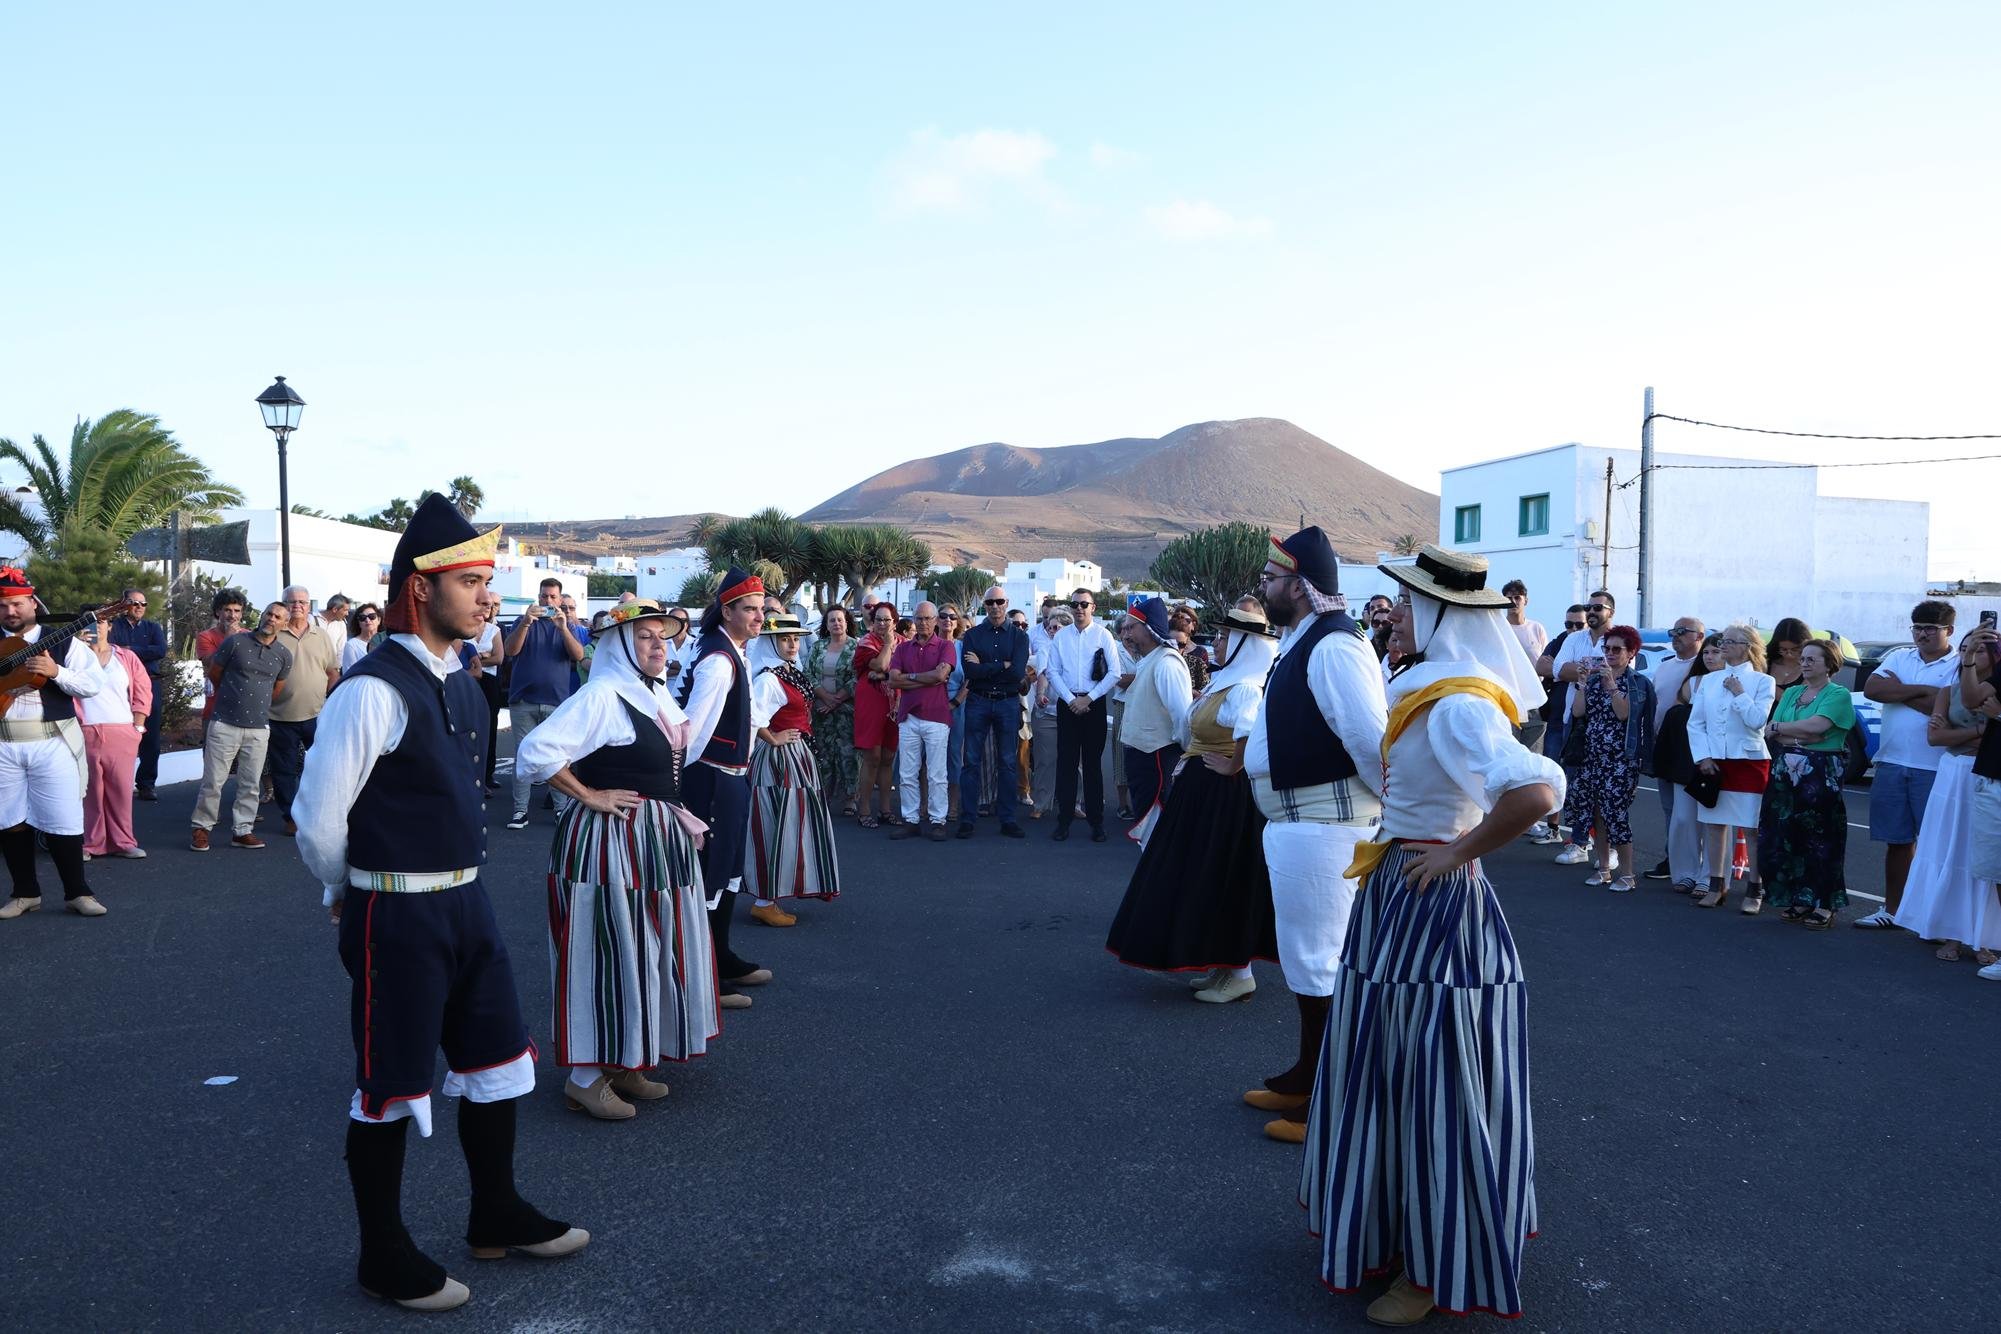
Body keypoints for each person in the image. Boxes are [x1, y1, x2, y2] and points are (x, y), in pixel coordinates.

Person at [294, 494, 587, 1311]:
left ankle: (496, 1211)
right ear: (420, 589)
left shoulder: (462, 681)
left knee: (496, 1062)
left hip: (467, 903)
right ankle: (381, 1254)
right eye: (472, 581)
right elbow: (318, 820)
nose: (489, 596)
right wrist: (345, 890)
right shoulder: (371, 689)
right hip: (399, 913)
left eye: (489, 580)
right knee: (389, 1082)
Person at [1300, 544, 1561, 1327]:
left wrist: (1454, 851)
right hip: (1397, 895)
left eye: (1410, 604)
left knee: (1432, 1080)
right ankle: (1394, 1234)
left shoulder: (1457, 702)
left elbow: (1537, 791)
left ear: (1443, 614)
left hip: (1432, 906)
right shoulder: (1427, 686)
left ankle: (1432, 1263)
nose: (1396, 613)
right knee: (1389, 1070)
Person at [514, 598, 719, 1120]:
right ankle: (585, 1077)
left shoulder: (652, 697)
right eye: (646, 637)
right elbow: (535, 751)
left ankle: (627, 1059)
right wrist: (588, 794)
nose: (658, 645)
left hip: (654, 841)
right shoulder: (603, 695)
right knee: (604, 949)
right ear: (622, 645)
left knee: (647, 948)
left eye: (663, 636)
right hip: (611, 843)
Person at [1239, 527, 1386, 1145]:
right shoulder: (1306, 638)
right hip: (1300, 823)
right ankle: (1308, 1074)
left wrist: (1389, 813)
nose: (1265, 589)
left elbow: (1368, 739)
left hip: (1326, 824)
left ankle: (1332, 1099)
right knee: (1305, 959)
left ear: (1300, 587)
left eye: (1272, 581)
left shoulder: (1333, 647)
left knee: (1323, 962)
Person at [1106, 604, 1280, 1001]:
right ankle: (1223, 966)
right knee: (1206, 876)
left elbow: (1249, 731)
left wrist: (1232, 764)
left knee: (1225, 876)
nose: (1216, 643)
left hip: (1223, 797)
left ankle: (1239, 972)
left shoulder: (1245, 687)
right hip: (1204, 791)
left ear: (1242, 646)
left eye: (1224, 638)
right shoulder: (1228, 681)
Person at [678, 567, 772, 1005]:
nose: (759, 617)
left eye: (761, 609)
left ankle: (722, 956)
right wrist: (676, 786)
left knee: (730, 872)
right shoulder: (718, 661)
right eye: (750, 609)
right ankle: (704, 977)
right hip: (711, 782)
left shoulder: (736, 652)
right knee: (710, 876)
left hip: (733, 779)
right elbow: (693, 733)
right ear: (728, 610)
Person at [0, 567, 108, 920]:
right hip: (3, 744)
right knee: (9, 819)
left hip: (52, 741)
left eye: (16, 604)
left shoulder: (63, 642)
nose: (10, 612)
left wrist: (56, 672)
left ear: (32, 603)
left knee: (64, 818)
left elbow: (93, 685)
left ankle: (78, 892)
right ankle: (25, 892)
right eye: (2, 606)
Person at [1894, 627, 1998, 959]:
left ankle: (1981, 937)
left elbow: (1976, 740)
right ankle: (1950, 933)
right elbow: (1935, 738)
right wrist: (1980, 730)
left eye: (1979, 650)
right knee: (1947, 852)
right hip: (1951, 775)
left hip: (1983, 775)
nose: (1970, 654)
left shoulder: (1994, 692)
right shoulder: (1947, 692)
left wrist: (1962, 734)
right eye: (1966, 648)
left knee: (1978, 856)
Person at [1855, 601, 1960, 929]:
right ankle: (1893, 909)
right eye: (1917, 628)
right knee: (1897, 842)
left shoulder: (1960, 665)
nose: (1922, 634)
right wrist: (1926, 690)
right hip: (1890, 762)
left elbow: (1947, 710)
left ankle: (1934, 917)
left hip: (1935, 767)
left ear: (1949, 631)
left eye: (1931, 628)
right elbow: (1873, 689)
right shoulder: (1900, 656)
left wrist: (1899, 692)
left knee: (1937, 848)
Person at [744, 613, 843, 922]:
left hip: (798, 756)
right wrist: (773, 738)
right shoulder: (769, 678)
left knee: (791, 824)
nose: (791, 644)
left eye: (795, 639)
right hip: (780, 760)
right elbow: (751, 715)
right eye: (784, 639)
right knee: (776, 824)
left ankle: (772, 897)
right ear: (772, 642)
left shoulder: (790, 672)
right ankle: (764, 902)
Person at [1759, 638, 1858, 928]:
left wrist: (1788, 732)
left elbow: (1819, 727)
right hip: (1784, 774)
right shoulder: (1791, 693)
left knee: (1822, 839)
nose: (1804, 663)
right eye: (1803, 658)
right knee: (1788, 836)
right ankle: (1800, 898)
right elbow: (1772, 730)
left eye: (1812, 659)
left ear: (1830, 665)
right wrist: (1800, 735)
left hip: (1819, 775)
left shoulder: (1837, 694)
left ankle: (1824, 903)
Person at [1686, 624, 1775, 911]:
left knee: (1751, 828)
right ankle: (1716, 884)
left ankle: (1754, 889)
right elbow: (1695, 723)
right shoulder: (1709, 681)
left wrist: (1739, 693)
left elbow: (1756, 721)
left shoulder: (1763, 681)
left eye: (1730, 642)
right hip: (1715, 763)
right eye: (1722, 641)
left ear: (1747, 646)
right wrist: (1703, 756)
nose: (1723, 646)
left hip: (1749, 761)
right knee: (1714, 824)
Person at [192, 600, 292, 853]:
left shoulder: (283, 655)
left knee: (250, 783)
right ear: (262, 615)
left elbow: (276, 690)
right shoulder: (235, 642)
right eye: (269, 613)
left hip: (258, 728)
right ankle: (201, 828)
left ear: (284, 624)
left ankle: (243, 831)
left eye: (278, 616)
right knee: (213, 781)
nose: (271, 618)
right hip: (224, 722)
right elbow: (216, 673)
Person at [1563, 624, 1655, 891]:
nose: (1611, 654)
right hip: (1592, 756)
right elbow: (1579, 711)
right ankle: (1603, 868)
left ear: (1631, 653)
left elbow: (1624, 714)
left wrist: (1612, 686)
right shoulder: (1593, 679)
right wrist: (1581, 683)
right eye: (1607, 649)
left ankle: (1627, 874)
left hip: (1620, 759)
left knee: (1616, 814)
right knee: (1596, 814)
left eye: (1617, 649)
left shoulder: (1637, 683)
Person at [504, 578, 588, 829]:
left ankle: (561, 809)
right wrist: (526, 624)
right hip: (523, 700)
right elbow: (510, 651)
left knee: (556, 757)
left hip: (555, 702)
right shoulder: (524, 621)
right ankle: (520, 811)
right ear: (538, 597)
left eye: (553, 597)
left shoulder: (567, 626)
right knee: (522, 756)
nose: (548, 601)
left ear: (560, 599)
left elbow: (578, 656)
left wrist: (562, 628)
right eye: (544, 597)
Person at [1541, 588, 1616, 865]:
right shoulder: (1574, 638)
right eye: (1590, 606)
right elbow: (1558, 669)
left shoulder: (1618, 637)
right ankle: (1579, 843)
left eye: (1599, 607)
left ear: (1611, 612)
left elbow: (1616, 669)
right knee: (1578, 785)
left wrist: (1582, 669)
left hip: (1609, 720)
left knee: (1606, 789)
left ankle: (1610, 851)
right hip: (1577, 717)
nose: (1593, 611)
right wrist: (1594, 669)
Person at [1045, 586, 1121, 843]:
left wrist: (1089, 698)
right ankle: (1063, 821)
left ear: (1093, 608)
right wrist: (1070, 700)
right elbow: (1052, 671)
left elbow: (1114, 673)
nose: (1079, 609)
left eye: (1084, 604)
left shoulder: (1103, 635)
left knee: (1092, 767)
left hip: (1093, 705)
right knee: (1066, 765)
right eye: (1074, 604)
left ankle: (1096, 822)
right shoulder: (1061, 637)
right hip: (1068, 706)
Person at [269, 584, 342, 838]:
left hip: (316, 715)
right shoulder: (274, 634)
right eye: (291, 602)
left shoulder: (321, 636)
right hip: (280, 716)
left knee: (321, 767)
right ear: (283, 605)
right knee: (284, 771)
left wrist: (330, 704)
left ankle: (319, 813)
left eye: (301, 602)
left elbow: (333, 673)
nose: (296, 606)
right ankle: (291, 817)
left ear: (309, 606)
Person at [1116, 598, 1194, 833]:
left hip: (1158, 761)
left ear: (1149, 629)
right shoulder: (1149, 660)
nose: (1126, 634)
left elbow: (1182, 717)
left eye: (1132, 627)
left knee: (1157, 831)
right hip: (1144, 762)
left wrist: (1184, 758)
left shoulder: (1166, 664)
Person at [957, 586, 1028, 839]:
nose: (995, 606)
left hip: (1008, 703)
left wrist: (987, 666)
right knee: (971, 762)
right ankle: (967, 818)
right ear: (984, 605)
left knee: (1008, 762)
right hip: (979, 701)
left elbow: (1018, 673)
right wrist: (1003, 665)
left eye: (999, 601)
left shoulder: (1019, 637)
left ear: (1006, 602)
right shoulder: (973, 635)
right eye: (990, 602)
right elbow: (970, 672)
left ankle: (1008, 819)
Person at [1652, 632, 1720, 893]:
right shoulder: (1692, 682)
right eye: (1707, 652)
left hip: (1720, 761)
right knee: (1683, 818)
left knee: (1713, 821)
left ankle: (1710, 876)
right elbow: (1681, 719)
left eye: (1716, 651)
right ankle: (1685, 873)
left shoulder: (1738, 682)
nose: (1710, 656)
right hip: (1687, 760)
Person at [80, 616, 152, 859]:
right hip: (85, 730)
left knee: (121, 790)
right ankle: (92, 843)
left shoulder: (126, 657)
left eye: (101, 621)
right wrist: (77, 648)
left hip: (121, 730)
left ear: (110, 626)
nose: (95, 626)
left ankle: (124, 841)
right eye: (88, 622)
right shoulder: (74, 656)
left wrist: (138, 728)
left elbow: (143, 690)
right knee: (90, 791)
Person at [1643, 617, 1706, 881]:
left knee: (1692, 809)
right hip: (1664, 742)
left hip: (1691, 746)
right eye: (1673, 631)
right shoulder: (1665, 666)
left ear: (1699, 636)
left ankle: (1698, 863)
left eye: (1683, 632)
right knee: (1670, 808)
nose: (1676, 636)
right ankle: (1674, 857)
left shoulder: (1704, 667)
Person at [888, 601, 956, 840]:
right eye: (919, 618)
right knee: (908, 772)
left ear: (936, 620)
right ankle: (911, 819)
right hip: (909, 716)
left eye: (928, 618)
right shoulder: (903, 649)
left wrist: (910, 678)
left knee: (937, 773)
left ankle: (938, 820)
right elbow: (893, 680)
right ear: (914, 621)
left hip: (936, 717)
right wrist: (924, 678)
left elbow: (941, 674)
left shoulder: (946, 646)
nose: (923, 623)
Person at [1525, 603, 1587, 843]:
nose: (1572, 628)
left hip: (1580, 721)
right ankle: (1553, 828)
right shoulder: (1561, 640)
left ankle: (1584, 836)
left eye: (1578, 624)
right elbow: (1540, 666)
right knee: (1552, 774)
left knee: (1577, 778)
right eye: (1568, 624)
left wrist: (1559, 669)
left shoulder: (1589, 643)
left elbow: (1589, 672)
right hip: (1555, 718)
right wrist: (1568, 670)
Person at [1959, 631, 2001, 979]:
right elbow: (1972, 699)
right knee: (1996, 870)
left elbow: (1992, 711)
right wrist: (1970, 658)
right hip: (1992, 779)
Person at [106, 587, 166, 801]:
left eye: (143, 604)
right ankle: (119, 784)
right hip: (121, 686)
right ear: (124, 605)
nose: (140, 607)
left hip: (150, 684)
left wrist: (129, 649)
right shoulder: (114, 627)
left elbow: (160, 650)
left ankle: (146, 784)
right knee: (122, 732)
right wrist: (140, 650)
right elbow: (111, 648)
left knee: (150, 735)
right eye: (134, 603)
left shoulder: (153, 627)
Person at [804, 607, 859, 818]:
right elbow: (808, 673)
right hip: (821, 709)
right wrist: (825, 698)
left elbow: (857, 677)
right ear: (826, 625)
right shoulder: (818, 646)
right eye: (832, 620)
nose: (836, 623)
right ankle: (824, 794)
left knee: (848, 754)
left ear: (846, 623)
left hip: (846, 709)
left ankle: (851, 798)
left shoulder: (856, 646)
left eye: (840, 620)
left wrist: (836, 700)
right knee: (823, 754)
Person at [852, 603, 900, 828]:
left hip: (895, 704)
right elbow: (880, 663)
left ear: (894, 621)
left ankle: (886, 809)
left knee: (888, 758)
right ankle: (863, 809)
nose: (882, 624)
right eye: (878, 620)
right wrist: (889, 645)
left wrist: (882, 675)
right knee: (872, 758)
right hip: (871, 702)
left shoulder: (905, 643)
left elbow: (904, 671)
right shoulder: (866, 643)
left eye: (887, 620)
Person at [1025, 606, 1072, 818]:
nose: (1053, 631)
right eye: (1050, 627)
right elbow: (1043, 673)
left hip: (1072, 709)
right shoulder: (1045, 649)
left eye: (1057, 627)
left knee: (1074, 759)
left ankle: (1076, 802)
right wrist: (1040, 694)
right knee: (1045, 758)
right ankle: (1042, 803)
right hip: (1047, 711)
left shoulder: (1075, 651)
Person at [1501, 579, 1548, 752]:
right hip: (1506, 697)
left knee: (1533, 751)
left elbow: (1545, 660)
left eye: (1517, 597)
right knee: (1510, 748)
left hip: (1533, 698)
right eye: (1508, 598)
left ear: (1525, 601)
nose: (1513, 602)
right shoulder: (1499, 627)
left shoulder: (1537, 628)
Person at [468, 596, 505, 792]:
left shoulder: (494, 630)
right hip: (468, 680)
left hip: (489, 683)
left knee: (489, 727)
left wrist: (477, 660)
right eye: (482, 605)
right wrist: (482, 657)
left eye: (489, 607)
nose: (485, 610)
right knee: (468, 727)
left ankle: (487, 775)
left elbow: (499, 658)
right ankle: (470, 776)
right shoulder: (464, 629)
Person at [196, 589, 246, 724]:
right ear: (218, 612)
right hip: (215, 709)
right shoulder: (205, 636)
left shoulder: (249, 636)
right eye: (228, 610)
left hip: (243, 708)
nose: (232, 615)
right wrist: (229, 639)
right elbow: (210, 663)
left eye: (237, 611)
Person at [1765, 616, 1810, 695]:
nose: (1789, 654)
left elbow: (1797, 700)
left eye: (1794, 650)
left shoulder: (1811, 667)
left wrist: (1766, 685)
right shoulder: (1766, 662)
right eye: (1783, 649)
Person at [341, 603, 381, 673]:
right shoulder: (352, 645)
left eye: (372, 616)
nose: (367, 620)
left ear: (379, 620)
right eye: (362, 617)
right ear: (358, 622)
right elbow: (348, 674)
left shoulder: (387, 641)